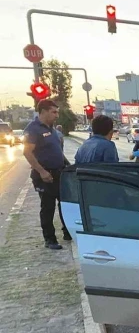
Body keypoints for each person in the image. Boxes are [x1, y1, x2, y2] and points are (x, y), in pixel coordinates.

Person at [23, 100, 70, 250]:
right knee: (48, 207)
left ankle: (67, 232)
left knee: (65, 204)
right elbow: (27, 152)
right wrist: (42, 171)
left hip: (59, 173)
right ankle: (50, 239)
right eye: (53, 112)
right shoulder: (33, 129)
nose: (57, 115)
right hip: (45, 176)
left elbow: (57, 151)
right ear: (43, 111)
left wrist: (67, 166)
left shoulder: (53, 129)